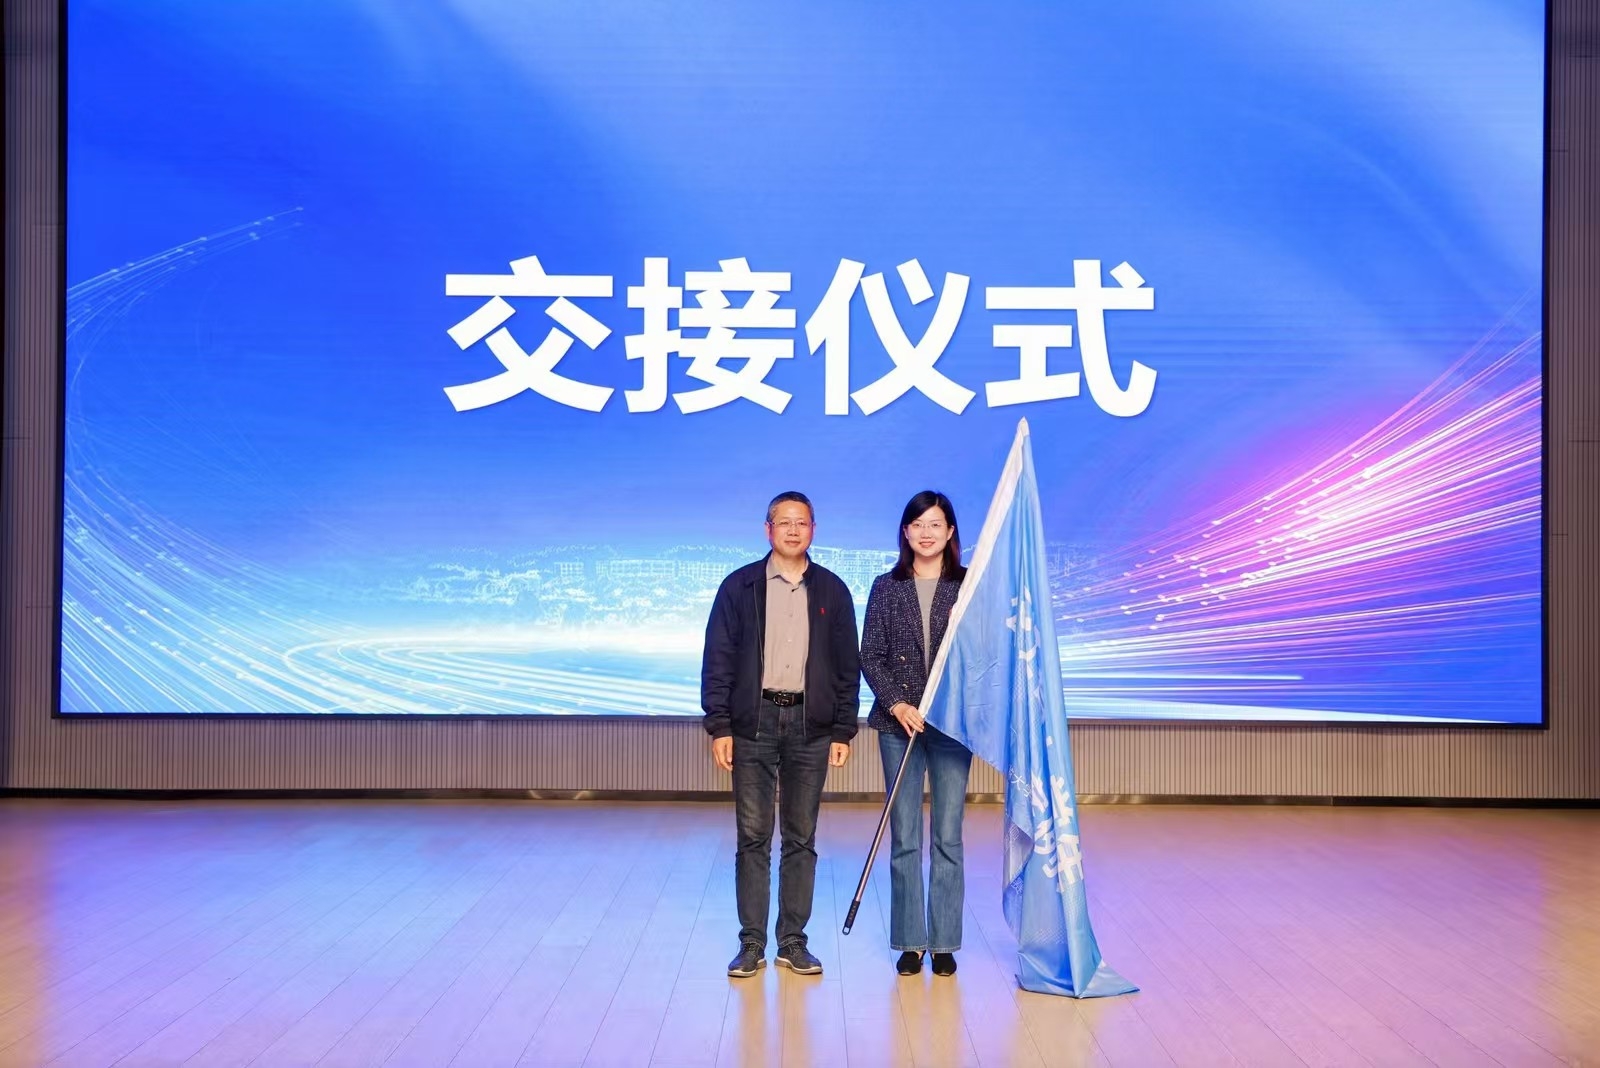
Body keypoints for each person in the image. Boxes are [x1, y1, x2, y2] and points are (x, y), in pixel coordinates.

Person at [702, 491, 860, 979]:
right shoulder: (740, 586)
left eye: (802, 523)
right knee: (752, 837)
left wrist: (843, 729)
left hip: (811, 728)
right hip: (753, 724)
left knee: (801, 836)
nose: (793, 530)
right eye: (784, 522)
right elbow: (718, 658)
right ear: (767, 529)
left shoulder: (832, 590)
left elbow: (847, 667)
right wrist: (719, 725)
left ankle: (793, 941)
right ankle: (751, 943)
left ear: (814, 530)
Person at [859, 490, 972, 977]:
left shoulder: (969, 587)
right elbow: (870, 655)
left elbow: (984, 653)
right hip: (897, 724)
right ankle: (910, 941)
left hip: (951, 725)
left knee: (948, 836)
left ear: (950, 532)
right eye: (918, 524)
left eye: (936, 524)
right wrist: (897, 703)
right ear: (906, 532)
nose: (927, 533)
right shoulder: (887, 587)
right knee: (905, 836)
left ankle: (944, 942)